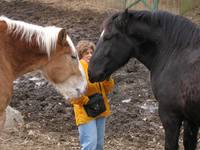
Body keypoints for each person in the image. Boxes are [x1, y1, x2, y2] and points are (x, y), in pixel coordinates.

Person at [70, 40, 114, 150]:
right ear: (80, 55)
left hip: (100, 108)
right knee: (89, 145)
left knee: (99, 145)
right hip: (85, 112)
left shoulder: (97, 67)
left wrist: (108, 78)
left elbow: (107, 89)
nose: (90, 55)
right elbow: (73, 93)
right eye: (86, 53)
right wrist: (86, 101)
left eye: (91, 52)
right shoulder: (77, 69)